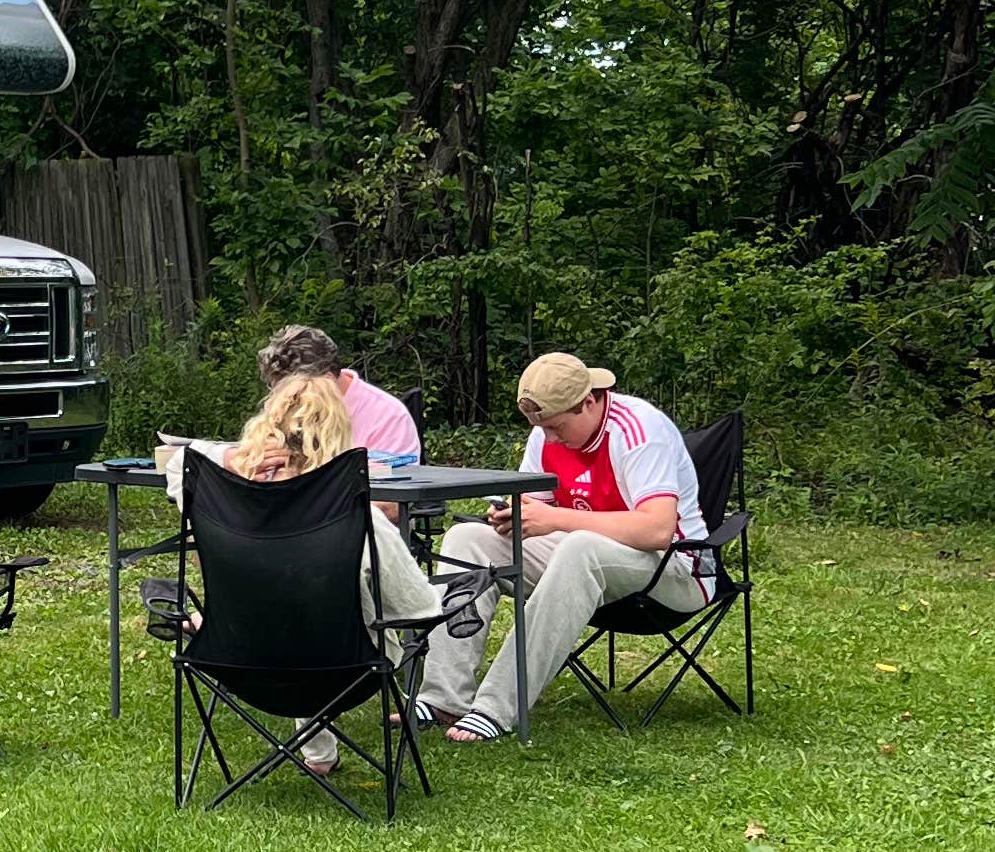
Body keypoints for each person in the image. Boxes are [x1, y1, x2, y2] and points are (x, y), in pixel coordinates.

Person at [418, 352, 706, 743]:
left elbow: (657, 530)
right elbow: (535, 506)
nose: (549, 438)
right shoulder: (545, 431)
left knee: (580, 547)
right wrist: (512, 515)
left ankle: (497, 708)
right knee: (468, 540)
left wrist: (556, 520)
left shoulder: (639, 431)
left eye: (556, 427)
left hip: (676, 569)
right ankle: (441, 698)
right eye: (541, 428)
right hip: (589, 562)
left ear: (588, 401)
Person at [165, 367, 440, 772]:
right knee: (336, 607)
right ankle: (319, 750)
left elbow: (177, 464)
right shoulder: (358, 521)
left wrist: (236, 458)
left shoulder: (220, 506)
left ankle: (318, 753)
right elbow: (417, 610)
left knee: (290, 602)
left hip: (238, 658)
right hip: (346, 668)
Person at [259, 321, 419, 463]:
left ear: (326, 380)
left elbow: (389, 495)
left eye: (294, 394)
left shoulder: (388, 417)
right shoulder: (281, 407)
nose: (285, 401)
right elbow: (247, 456)